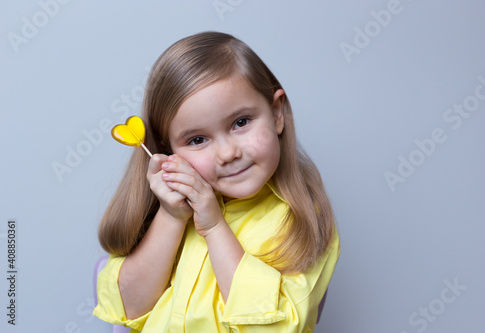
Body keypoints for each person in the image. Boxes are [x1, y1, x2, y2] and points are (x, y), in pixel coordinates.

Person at [93, 31, 340, 332]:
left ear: (276, 113)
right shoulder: (171, 215)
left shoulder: (303, 220)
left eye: (241, 122)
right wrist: (171, 217)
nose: (227, 153)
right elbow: (128, 308)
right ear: (168, 150)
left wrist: (213, 226)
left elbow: (272, 328)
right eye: (197, 139)